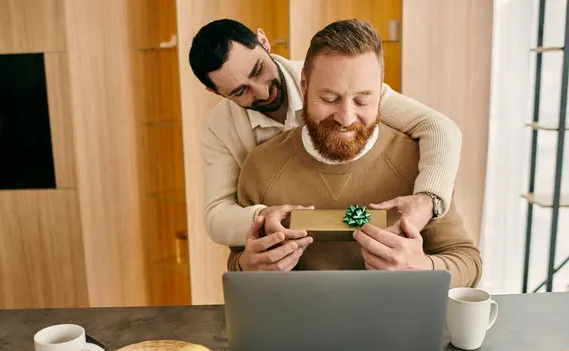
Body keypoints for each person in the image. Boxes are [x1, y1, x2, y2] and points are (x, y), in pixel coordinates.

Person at [227, 19, 481, 289]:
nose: (346, 118)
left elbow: (469, 263)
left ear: (380, 91)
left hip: (395, 326)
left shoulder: (420, 162)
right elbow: (237, 262)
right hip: (297, 325)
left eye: (362, 100)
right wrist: (247, 266)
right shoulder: (261, 166)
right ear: (304, 85)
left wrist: (423, 268)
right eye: (329, 98)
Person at [189, 18, 461, 248]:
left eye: (259, 70)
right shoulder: (219, 128)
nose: (262, 91)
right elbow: (217, 216)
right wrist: (263, 218)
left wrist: (429, 200)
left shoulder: (331, 76)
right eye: (239, 91)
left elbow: (438, 127)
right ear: (216, 93)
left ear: (264, 42)